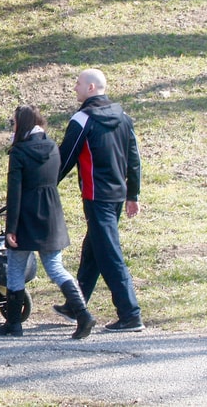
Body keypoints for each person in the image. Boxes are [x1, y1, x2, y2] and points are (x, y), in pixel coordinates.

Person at [0, 105, 96, 339]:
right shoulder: (52, 147)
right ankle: (83, 314)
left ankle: (14, 324)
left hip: (26, 215)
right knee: (56, 267)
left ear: (22, 124)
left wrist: (11, 229)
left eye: (13, 122)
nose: (12, 126)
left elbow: (15, 192)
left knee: (16, 268)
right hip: (51, 213)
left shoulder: (18, 152)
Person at [55, 68, 144, 332]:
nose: (75, 88)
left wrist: (43, 187)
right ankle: (75, 305)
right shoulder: (124, 116)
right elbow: (134, 159)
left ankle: (130, 314)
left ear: (91, 88)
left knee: (108, 253)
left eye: (78, 83)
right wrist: (132, 194)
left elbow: (64, 159)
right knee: (93, 249)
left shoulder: (82, 119)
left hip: (96, 197)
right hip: (116, 196)